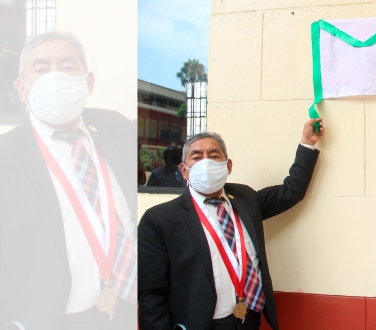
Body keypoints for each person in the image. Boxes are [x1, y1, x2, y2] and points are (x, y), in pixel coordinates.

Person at [0, 32, 136, 329]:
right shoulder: (5, 157)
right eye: (41, 68)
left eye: (66, 66)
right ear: (22, 89)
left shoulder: (117, 132)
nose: (55, 77)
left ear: (88, 82)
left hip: (127, 312)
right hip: (51, 320)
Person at [138, 121, 324, 330]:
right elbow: (151, 295)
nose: (205, 162)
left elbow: (292, 191)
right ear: (184, 170)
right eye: (197, 157)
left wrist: (307, 143)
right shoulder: (159, 219)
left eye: (214, 155)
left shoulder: (246, 199)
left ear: (228, 166)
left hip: (249, 321)